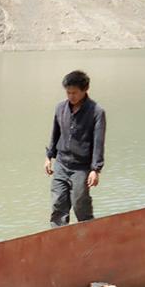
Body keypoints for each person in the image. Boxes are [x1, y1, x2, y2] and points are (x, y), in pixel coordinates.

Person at [44, 70, 106, 227]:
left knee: (80, 203)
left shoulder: (96, 112)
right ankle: (59, 239)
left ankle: (89, 238)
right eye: (68, 92)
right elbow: (55, 134)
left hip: (81, 167)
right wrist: (49, 157)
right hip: (61, 164)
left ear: (85, 90)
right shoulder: (60, 108)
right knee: (58, 204)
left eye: (75, 93)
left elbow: (98, 142)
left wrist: (95, 169)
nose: (71, 96)